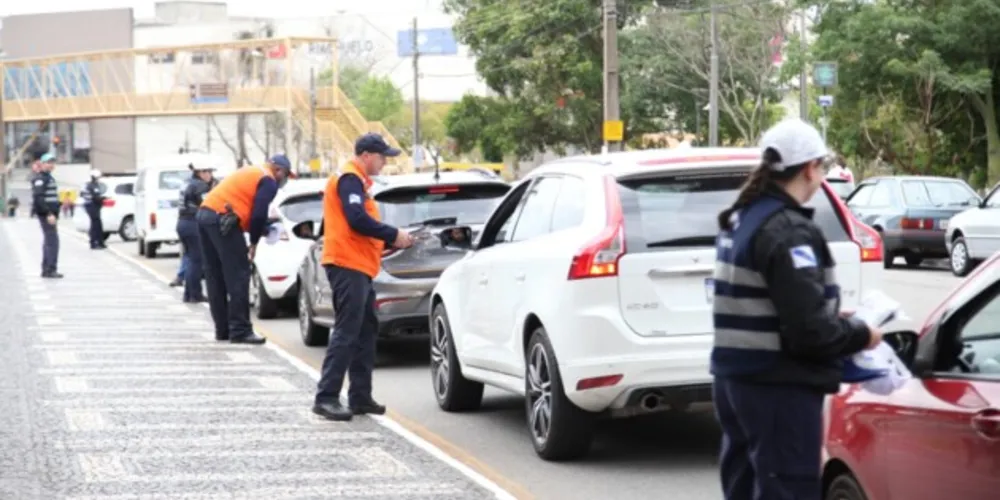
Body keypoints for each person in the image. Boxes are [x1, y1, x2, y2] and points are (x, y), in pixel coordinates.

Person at [711, 118, 882, 500]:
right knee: (786, 489)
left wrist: (828, 320)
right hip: (776, 387)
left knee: (744, 487)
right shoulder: (786, 230)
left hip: (735, 382)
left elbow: (772, 305)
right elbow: (809, 333)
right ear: (809, 168)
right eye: (821, 168)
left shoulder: (741, 219)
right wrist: (862, 334)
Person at [313, 133, 415, 421]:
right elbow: (356, 220)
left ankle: (359, 395)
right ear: (367, 155)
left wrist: (390, 240)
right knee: (347, 331)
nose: (385, 163)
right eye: (383, 158)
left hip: (358, 265)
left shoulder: (357, 181)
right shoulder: (350, 179)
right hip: (347, 265)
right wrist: (393, 235)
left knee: (365, 331)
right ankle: (327, 397)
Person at [197, 154, 293, 344]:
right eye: (287, 175)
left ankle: (223, 329)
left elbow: (248, 212)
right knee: (239, 274)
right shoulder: (269, 180)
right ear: (279, 170)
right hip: (223, 220)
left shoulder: (253, 171)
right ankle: (240, 330)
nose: (285, 180)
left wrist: (263, 229)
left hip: (205, 215)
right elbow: (258, 214)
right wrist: (255, 242)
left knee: (215, 276)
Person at [177, 162, 218, 303]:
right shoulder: (199, 186)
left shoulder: (187, 183)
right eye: (208, 171)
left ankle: (188, 294)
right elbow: (207, 204)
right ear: (200, 172)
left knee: (190, 258)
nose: (210, 175)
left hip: (183, 223)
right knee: (197, 260)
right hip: (192, 223)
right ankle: (195, 294)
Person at [31, 153, 63, 278]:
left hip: (50, 214)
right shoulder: (41, 179)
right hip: (47, 215)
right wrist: (48, 213)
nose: (51, 165)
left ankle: (46, 269)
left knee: (49, 241)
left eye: (52, 162)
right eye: (48, 162)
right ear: (42, 164)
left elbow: (49, 197)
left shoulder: (48, 178)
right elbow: (38, 198)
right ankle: (50, 269)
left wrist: (58, 204)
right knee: (52, 242)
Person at [82, 169, 107, 249]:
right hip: (92, 206)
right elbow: (96, 198)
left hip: (90, 206)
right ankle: (95, 243)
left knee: (96, 224)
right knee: (96, 224)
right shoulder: (93, 185)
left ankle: (99, 242)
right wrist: (103, 198)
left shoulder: (88, 185)